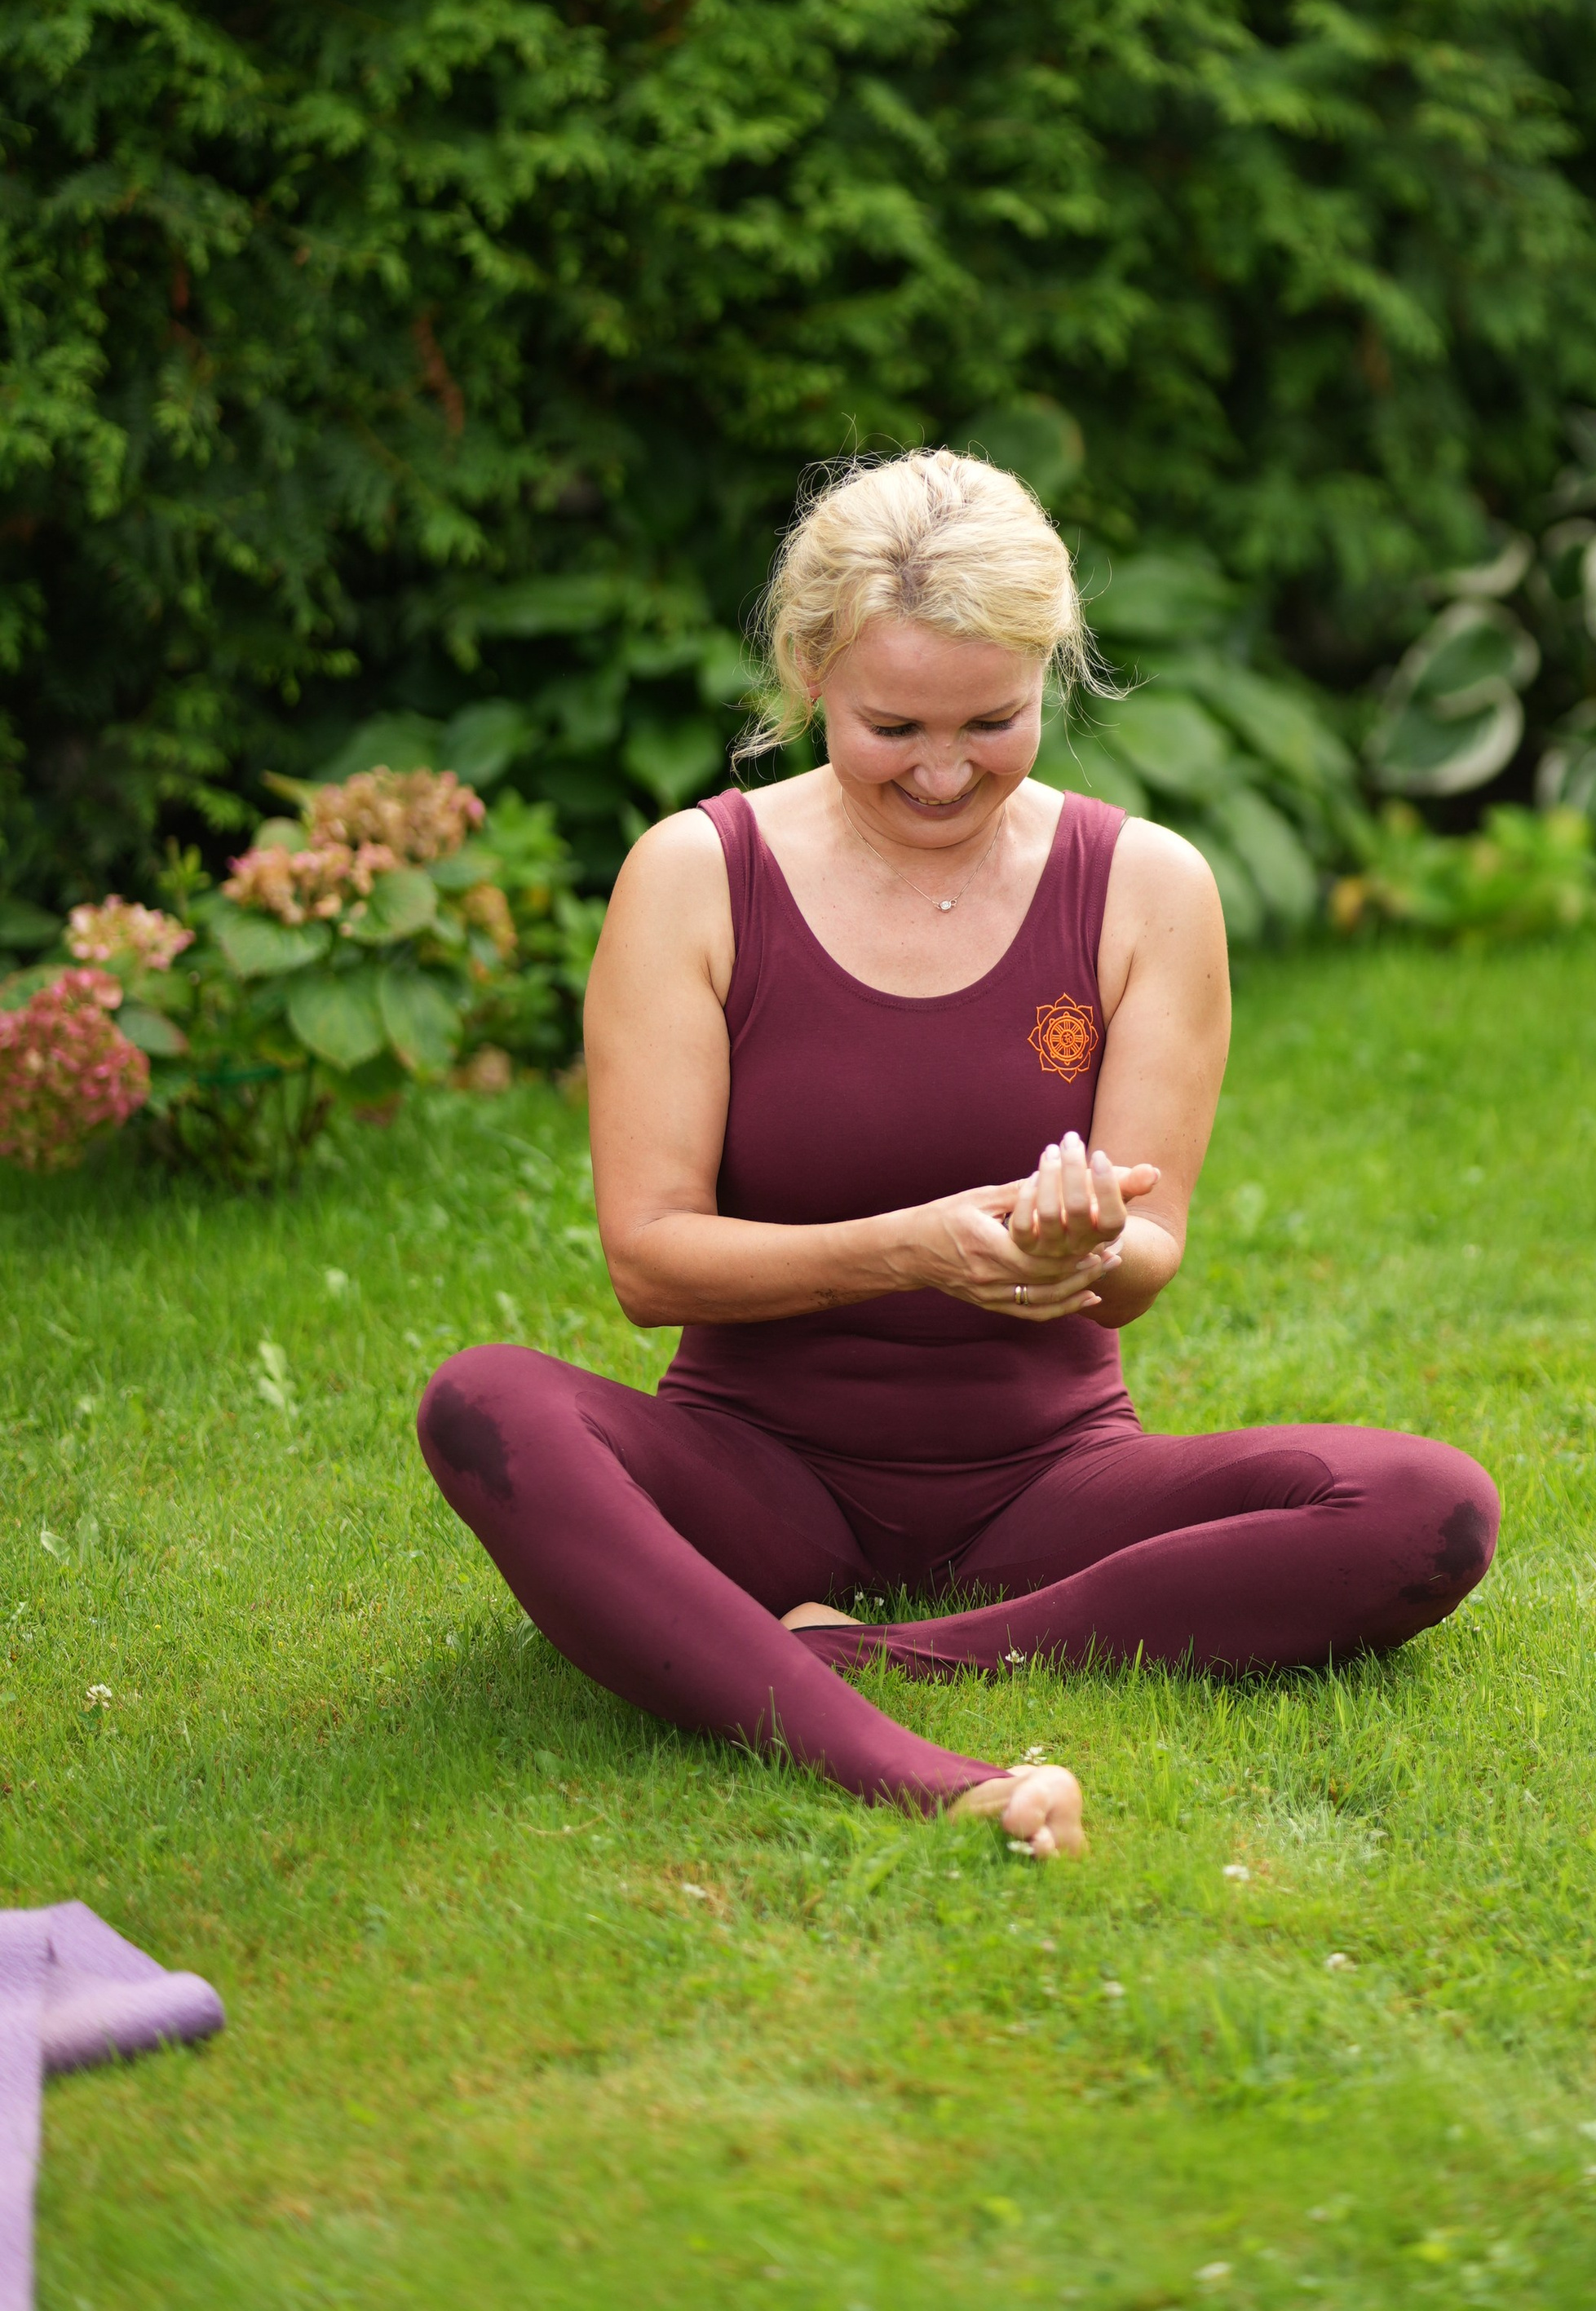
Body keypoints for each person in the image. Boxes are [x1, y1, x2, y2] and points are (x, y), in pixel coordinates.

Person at [418, 453, 1499, 1856]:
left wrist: (1089, 1244)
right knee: (486, 1402)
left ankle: (860, 1659)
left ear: (1052, 675)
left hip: (1052, 1482)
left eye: (992, 720)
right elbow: (649, 1259)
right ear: (811, 674)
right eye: (894, 725)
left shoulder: (1148, 887)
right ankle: (916, 1766)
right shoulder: (695, 877)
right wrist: (909, 1248)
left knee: (1426, 1506)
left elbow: (1145, 1261)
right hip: (754, 1477)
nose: (943, 771)